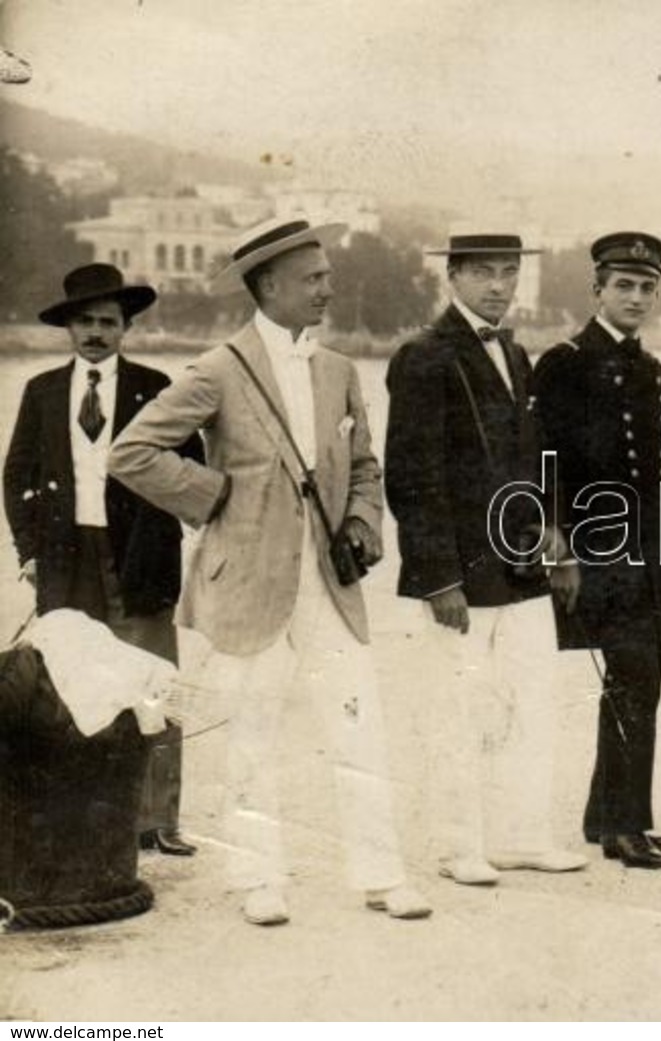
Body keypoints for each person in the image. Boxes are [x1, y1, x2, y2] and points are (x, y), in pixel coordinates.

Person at [109, 217, 430, 926]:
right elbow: (132, 451)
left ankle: (382, 876)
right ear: (269, 286)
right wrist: (213, 496)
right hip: (250, 583)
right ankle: (258, 880)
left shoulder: (340, 370)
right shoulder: (218, 368)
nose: (327, 289)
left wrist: (360, 524)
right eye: (313, 278)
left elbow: (367, 468)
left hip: (331, 584)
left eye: (326, 276)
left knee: (359, 723)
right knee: (252, 731)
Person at [384, 232, 588, 885]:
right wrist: (437, 576)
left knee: (531, 699)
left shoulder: (517, 353)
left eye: (508, 273)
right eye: (483, 274)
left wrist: (555, 533)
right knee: (458, 708)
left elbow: (531, 457)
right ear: (453, 277)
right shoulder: (423, 356)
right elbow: (411, 477)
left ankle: (521, 835)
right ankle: (457, 845)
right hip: (461, 571)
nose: (499, 285)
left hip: (523, 562)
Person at [2, 263, 201, 857]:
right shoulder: (41, 392)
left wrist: (169, 535)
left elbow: (187, 471)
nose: (95, 332)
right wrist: (31, 552)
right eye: (84, 322)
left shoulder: (157, 386)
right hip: (66, 560)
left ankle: (157, 819)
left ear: (126, 328)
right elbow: (16, 477)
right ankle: (83, 814)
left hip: (138, 555)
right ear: (68, 327)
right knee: (70, 682)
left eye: (107, 322)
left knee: (154, 685)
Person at [530, 231, 661, 870]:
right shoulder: (564, 363)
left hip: (653, 557)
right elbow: (542, 462)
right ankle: (623, 824)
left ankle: (610, 817)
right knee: (630, 679)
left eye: (646, 287)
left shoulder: (655, 373)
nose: (635, 297)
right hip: (595, 550)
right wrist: (555, 544)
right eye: (623, 286)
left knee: (641, 682)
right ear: (596, 290)